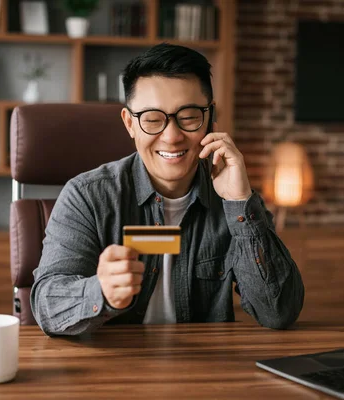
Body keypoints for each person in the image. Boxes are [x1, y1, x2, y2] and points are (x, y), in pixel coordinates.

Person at [31, 43, 304, 336]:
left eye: (188, 117)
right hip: (113, 370)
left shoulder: (233, 197)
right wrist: (101, 292)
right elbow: (48, 305)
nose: (172, 137)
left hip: (204, 369)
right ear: (129, 124)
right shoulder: (87, 196)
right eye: (152, 119)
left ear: (210, 117)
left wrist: (239, 201)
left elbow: (279, 312)